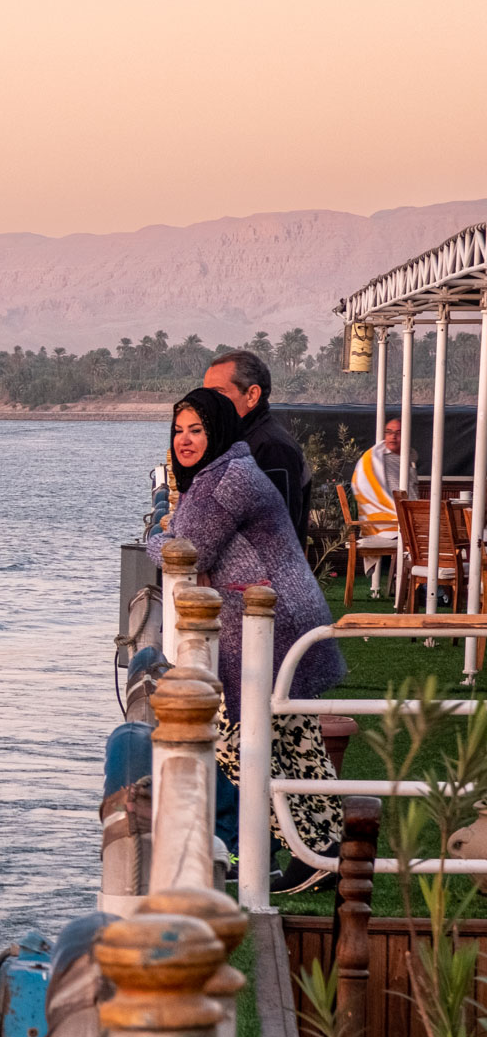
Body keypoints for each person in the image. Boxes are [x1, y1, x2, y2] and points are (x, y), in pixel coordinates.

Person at [148, 387, 346, 891]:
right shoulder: (231, 468)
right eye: (178, 431)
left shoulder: (222, 481)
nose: (185, 440)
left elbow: (186, 549)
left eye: (196, 430)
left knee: (235, 738)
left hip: (267, 627)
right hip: (283, 617)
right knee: (293, 740)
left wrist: (155, 536)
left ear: (217, 431)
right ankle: (324, 853)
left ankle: (310, 849)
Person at [203, 350, 311, 543]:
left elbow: (277, 533)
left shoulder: (272, 448)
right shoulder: (237, 440)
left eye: (218, 393)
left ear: (252, 395)